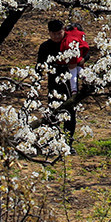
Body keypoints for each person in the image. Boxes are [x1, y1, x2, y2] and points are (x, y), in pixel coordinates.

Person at [37, 19, 78, 148]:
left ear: (63, 31)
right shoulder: (45, 47)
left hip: (70, 82)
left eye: (59, 33)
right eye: (53, 34)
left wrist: (78, 62)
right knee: (53, 112)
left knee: (70, 113)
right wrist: (37, 78)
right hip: (53, 83)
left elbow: (83, 54)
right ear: (49, 33)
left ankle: (68, 143)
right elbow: (39, 65)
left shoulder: (70, 43)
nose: (56, 36)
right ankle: (52, 142)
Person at [60, 23, 90, 94]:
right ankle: (87, 79)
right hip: (78, 54)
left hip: (69, 55)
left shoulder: (66, 34)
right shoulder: (81, 34)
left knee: (72, 71)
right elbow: (85, 46)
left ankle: (74, 90)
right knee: (78, 68)